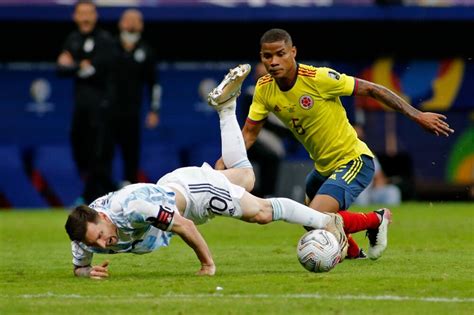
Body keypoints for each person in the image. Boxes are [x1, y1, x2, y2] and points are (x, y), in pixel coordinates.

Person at [64, 65, 347, 279]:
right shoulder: (84, 232)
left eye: (101, 235)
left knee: (260, 213)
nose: (104, 243)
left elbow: (184, 227)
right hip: (175, 186)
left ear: (103, 216)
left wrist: (207, 265)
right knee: (246, 178)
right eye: (96, 242)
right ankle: (226, 108)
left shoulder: (134, 208)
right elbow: (79, 266)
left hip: (193, 196)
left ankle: (326, 222)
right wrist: (87, 273)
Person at [214, 28, 454, 260]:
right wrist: (226, 159)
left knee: (315, 215)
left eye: (281, 54)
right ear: (261, 58)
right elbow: (249, 134)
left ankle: (376, 219)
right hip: (323, 168)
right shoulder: (264, 89)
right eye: (268, 56)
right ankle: (353, 254)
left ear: (293, 52)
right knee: (310, 222)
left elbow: (372, 89)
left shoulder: (319, 78)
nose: (274, 61)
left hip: (354, 160)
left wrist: (416, 115)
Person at [56, 0, 117, 204]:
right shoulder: (72, 39)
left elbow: (96, 69)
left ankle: (94, 197)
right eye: (81, 13)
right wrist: (79, 65)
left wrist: (74, 64)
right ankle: (110, 191)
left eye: (89, 13)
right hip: (80, 106)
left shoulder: (105, 40)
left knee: (98, 154)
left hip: (101, 106)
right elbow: (60, 69)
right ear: (75, 16)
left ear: (95, 16)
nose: (85, 18)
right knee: (79, 149)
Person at [112, 8, 161, 186]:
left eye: (136, 20)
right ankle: (100, 192)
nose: (131, 23)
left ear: (141, 25)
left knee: (131, 153)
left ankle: (129, 190)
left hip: (132, 112)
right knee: (102, 153)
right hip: (107, 111)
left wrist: (154, 110)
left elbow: (154, 84)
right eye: (128, 19)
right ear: (120, 23)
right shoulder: (110, 47)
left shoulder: (146, 51)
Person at [240, 62, 289, 197]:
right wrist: (285, 130)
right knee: (269, 157)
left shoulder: (281, 93)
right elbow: (260, 120)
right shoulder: (251, 92)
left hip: (274, 140)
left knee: (272, 157)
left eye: (265, 75)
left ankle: (267, 194)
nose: (262, 78)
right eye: (259, 76)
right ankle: (259, 194)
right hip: (256, 136)